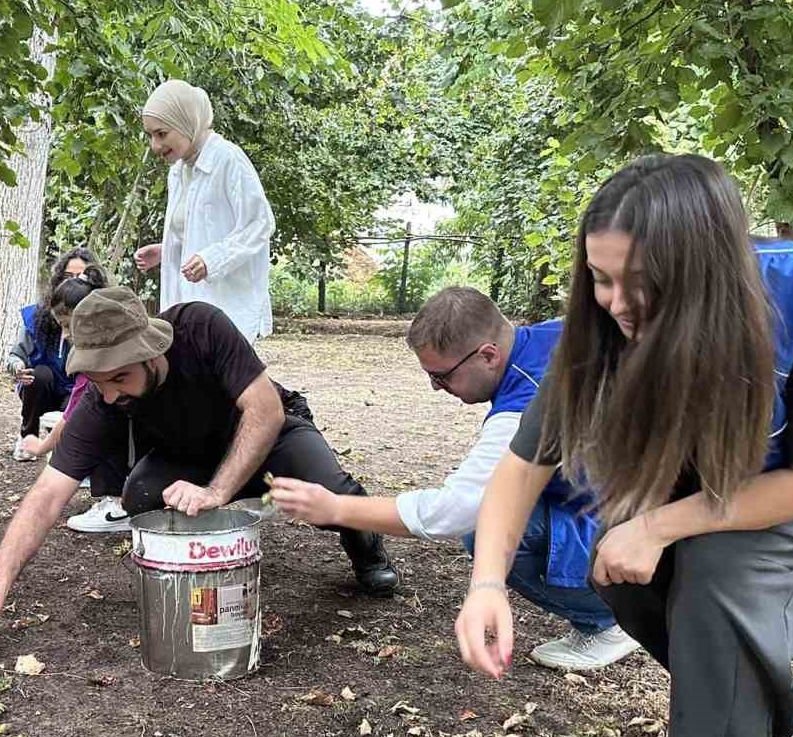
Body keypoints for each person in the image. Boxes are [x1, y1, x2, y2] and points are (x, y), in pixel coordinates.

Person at [456, 154, 793, 737]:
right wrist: (486, 585)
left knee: (718, 566)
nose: (618, 304)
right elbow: (522, 465)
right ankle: (736, 693)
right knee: (617, 562)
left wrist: (661, 523)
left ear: (703, 268)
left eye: (642, 284)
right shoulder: (602, 330)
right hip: (718, 477)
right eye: (600, 278)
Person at [0, 287, 398, 648]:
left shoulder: (201, 326)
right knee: (140, 498)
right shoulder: (103, 399)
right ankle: (208, 564)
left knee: (332, 494)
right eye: (99, 383)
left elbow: (264, 410)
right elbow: (47, 495)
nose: (109, 395)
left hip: (267, 431)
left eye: (120, 378)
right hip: (187, 452)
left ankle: (366, 549)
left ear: (152, 352)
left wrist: (218, 492)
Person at [267, 287, 639, 671]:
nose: (435, 387)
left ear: (488, 355)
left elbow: (457, 510)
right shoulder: (556, 336)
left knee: (487, 530)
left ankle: (607, 622)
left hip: (631, 519)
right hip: (622, 490)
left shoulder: (523, 407)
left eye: (441, 376)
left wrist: (337, 507)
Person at [133, 80, 275, 342]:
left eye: (161, 134)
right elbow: (200, 231)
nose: (154, 145)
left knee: (223, 382)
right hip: (186, 308)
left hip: (227, 310)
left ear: (187, 122)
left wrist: (213, 259)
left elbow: (260, 225)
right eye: (151, 135)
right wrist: (167, 251)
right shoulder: (179, 170)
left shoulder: (228, 159)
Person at [12, 268, 132, 534]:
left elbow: (73, 414)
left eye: (68, 325)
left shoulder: (99, 360)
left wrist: (41, 446)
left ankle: (117, 504)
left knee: (101, 420)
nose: (65, 335)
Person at [6, 248, 96, 460]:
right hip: (43, 388)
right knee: (40, 374)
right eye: (67, 276)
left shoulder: (100, 318)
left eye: (80, 277)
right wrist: (18, 368)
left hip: (77, 390)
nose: (72, 282)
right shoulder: (37, 315)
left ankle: (70, 449)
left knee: (83, 399)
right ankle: (27, 438)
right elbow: (15, 354)